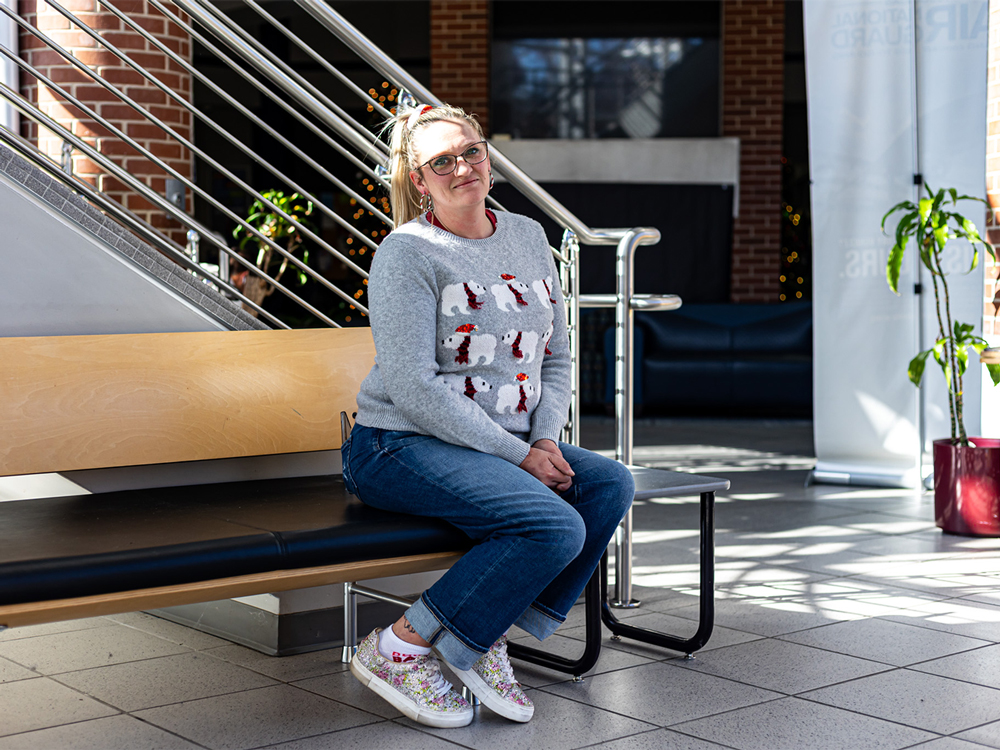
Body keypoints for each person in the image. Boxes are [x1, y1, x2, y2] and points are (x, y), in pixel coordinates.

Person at [340, 102, 634, 728]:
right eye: (440, 161)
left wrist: (546, 438)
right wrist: (519, 455)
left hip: (498, 442)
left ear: (488, 158)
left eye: (470, 151)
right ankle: (399, 647)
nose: (462, 167)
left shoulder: (528, 236)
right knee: (553, 527)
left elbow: (555, 355)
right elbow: (413, 388)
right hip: (396, 444)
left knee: (609, 483)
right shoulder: (407, 252)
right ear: (420, 180)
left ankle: (482, 633)